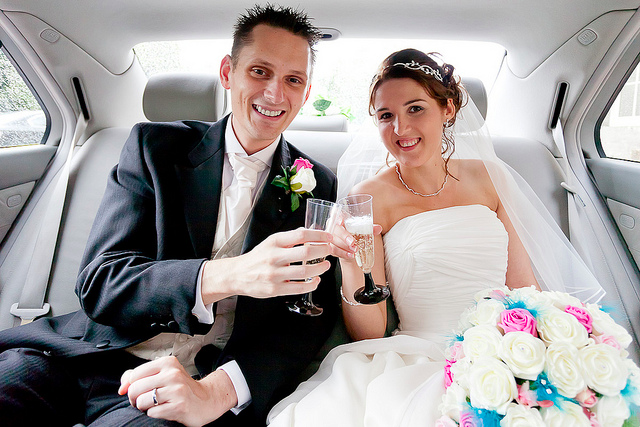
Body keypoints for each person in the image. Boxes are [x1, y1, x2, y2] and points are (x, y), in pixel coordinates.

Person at [0, 4, 356, 426]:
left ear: (306, 92)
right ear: (228, 72)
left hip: (188, 383)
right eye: (260, 71)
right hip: (76, 356)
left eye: (293, 80)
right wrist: (229, 275)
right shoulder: (154, 148)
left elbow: (303, 323)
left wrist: (217, 392)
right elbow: (101, 283)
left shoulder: (319, 183)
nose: (276, 94)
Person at [267, 49, 604, 425]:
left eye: (415, 109)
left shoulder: (491, 176)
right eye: (386, 116)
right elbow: (369, 333)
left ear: (447, 109)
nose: (400, 129)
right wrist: (349, 262)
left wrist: (533, 351)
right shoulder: (368, 198)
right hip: (414, 360)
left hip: (503, 350)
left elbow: (524, 287)